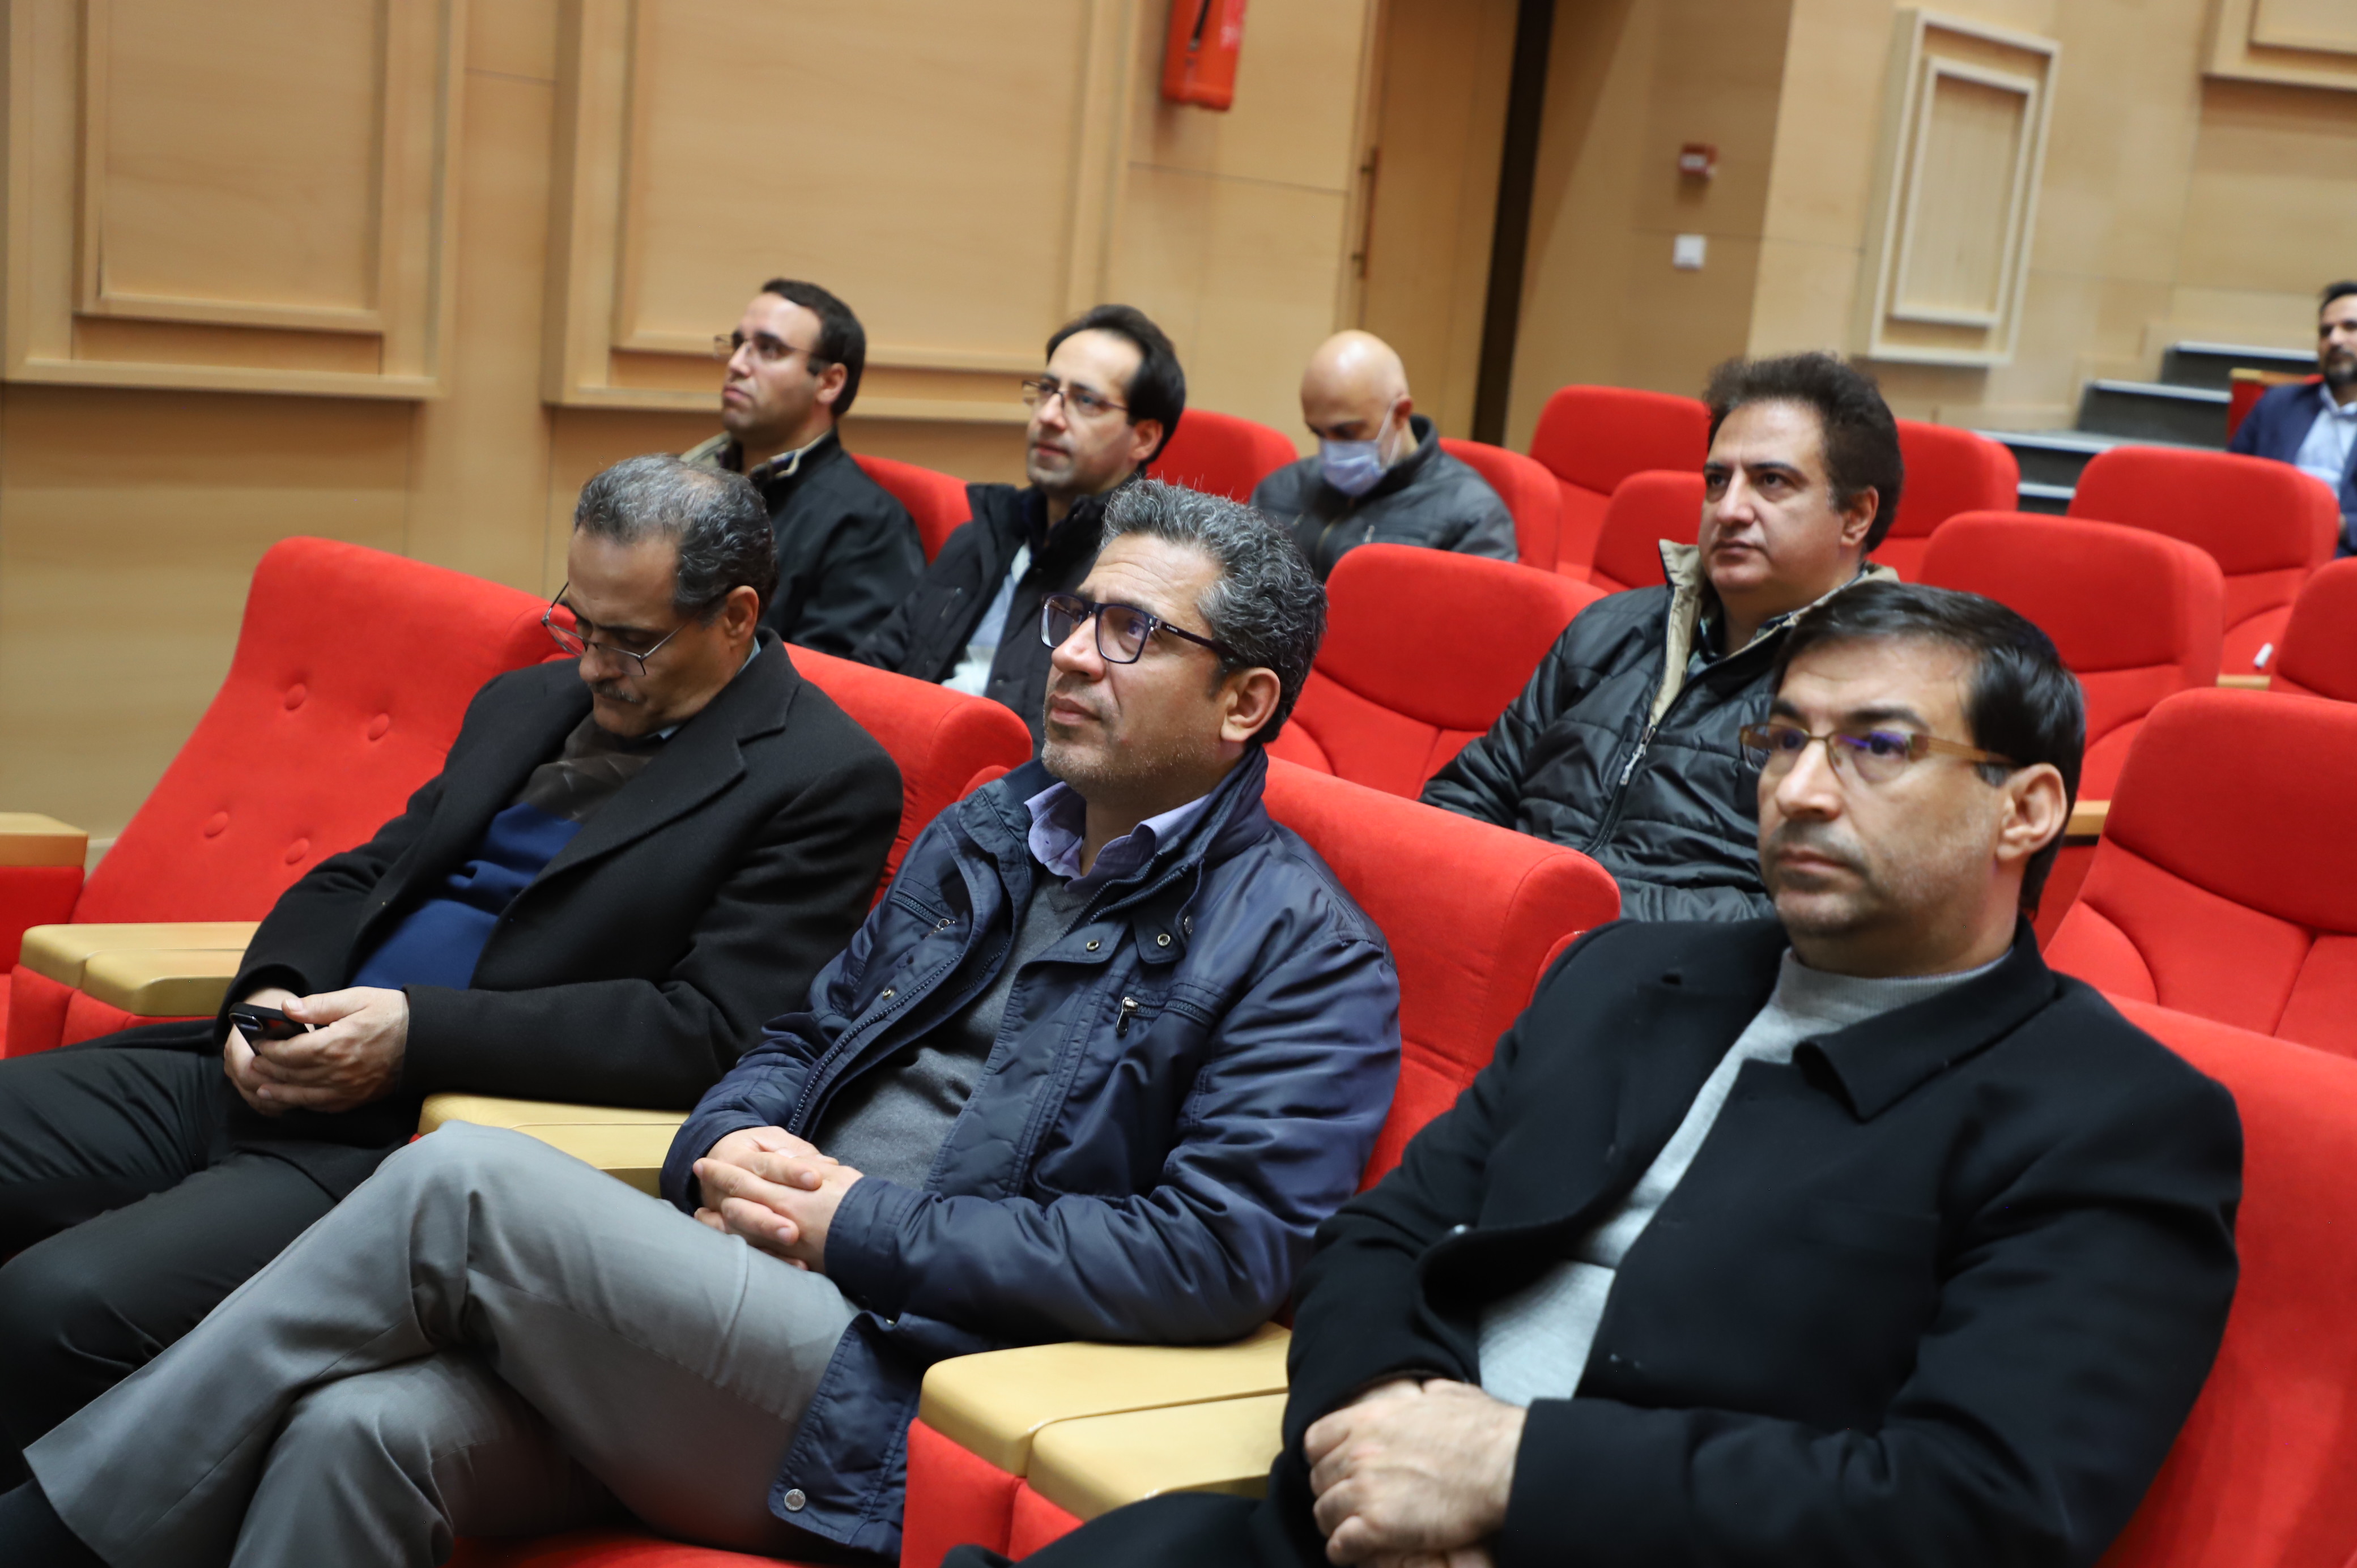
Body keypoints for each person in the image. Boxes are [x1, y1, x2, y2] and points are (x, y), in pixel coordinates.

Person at [0, 481, 1402, 1568]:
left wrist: (855, 1223)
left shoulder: (1303, 950)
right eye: (1076, 615)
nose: (1075, 655)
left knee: (459, 1181)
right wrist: (721, 1145)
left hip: (900, 1376)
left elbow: (1213, 1254)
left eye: (1133, 633)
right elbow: (793, 1034)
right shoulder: (992, 830)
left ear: (1245, 702)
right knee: (352, 1428)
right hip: (726, 1290)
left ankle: (43, 1539)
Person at [959, 579, 2242, 1568]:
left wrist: (1512, 1472)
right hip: (1354, 1517)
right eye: (1783, 739)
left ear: (2027, 809)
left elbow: (1978, 1507)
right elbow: (1382, 1238)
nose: (1799, 790)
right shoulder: (1627, 974)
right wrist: (1386, 1435)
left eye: (1878, 748)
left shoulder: (2112, 1117)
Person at [0, 455, 903, 1485]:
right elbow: (366, 874)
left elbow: (707, 1029)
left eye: (630, 640)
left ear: (736, 617)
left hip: (411, 1137)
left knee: (52, 1305)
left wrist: (412, 1038)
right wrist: (268, 992)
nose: (594, 665)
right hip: (265, 1062)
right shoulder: (527, 699)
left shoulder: (821, 778)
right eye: (579, 623)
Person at [1422, 351, 1901, 921]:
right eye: (1717, 481)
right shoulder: (1609, 627)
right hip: (1503, 931)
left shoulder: (1888, 685)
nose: (1729, 509)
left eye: (1771, 482)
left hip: (1667, 968)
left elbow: (1814, 912)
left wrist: (1574, 915)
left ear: (1856, 515)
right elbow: (1469, 793)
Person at [857, 304, 1184, 744]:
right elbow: (871, 673)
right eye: (1047, 390)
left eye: (1085, 401)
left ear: (1143, 438)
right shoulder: (981, 538)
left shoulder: (1140, 580)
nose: (1049, 416)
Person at [682, 279, 926, 653]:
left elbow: (831, 677)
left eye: (769, 349)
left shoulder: (869, 525)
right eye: (739, 344)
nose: (736, 364)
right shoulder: (688, 475)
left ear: (828, 382)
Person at [1250, 330, 1517, 578]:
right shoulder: (1279, 491)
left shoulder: (1472, 515)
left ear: (1400, 413)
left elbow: (1478, 612)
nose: (1331, 450)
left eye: (1347, 432)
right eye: (1318, 433)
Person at [2227, 279, 2357, 558]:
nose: (2335, 340)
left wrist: (2341, 527)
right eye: (2326, 332)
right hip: (2266, 546)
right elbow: (2231, 481)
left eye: (2350, 327)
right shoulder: (2278, 404)